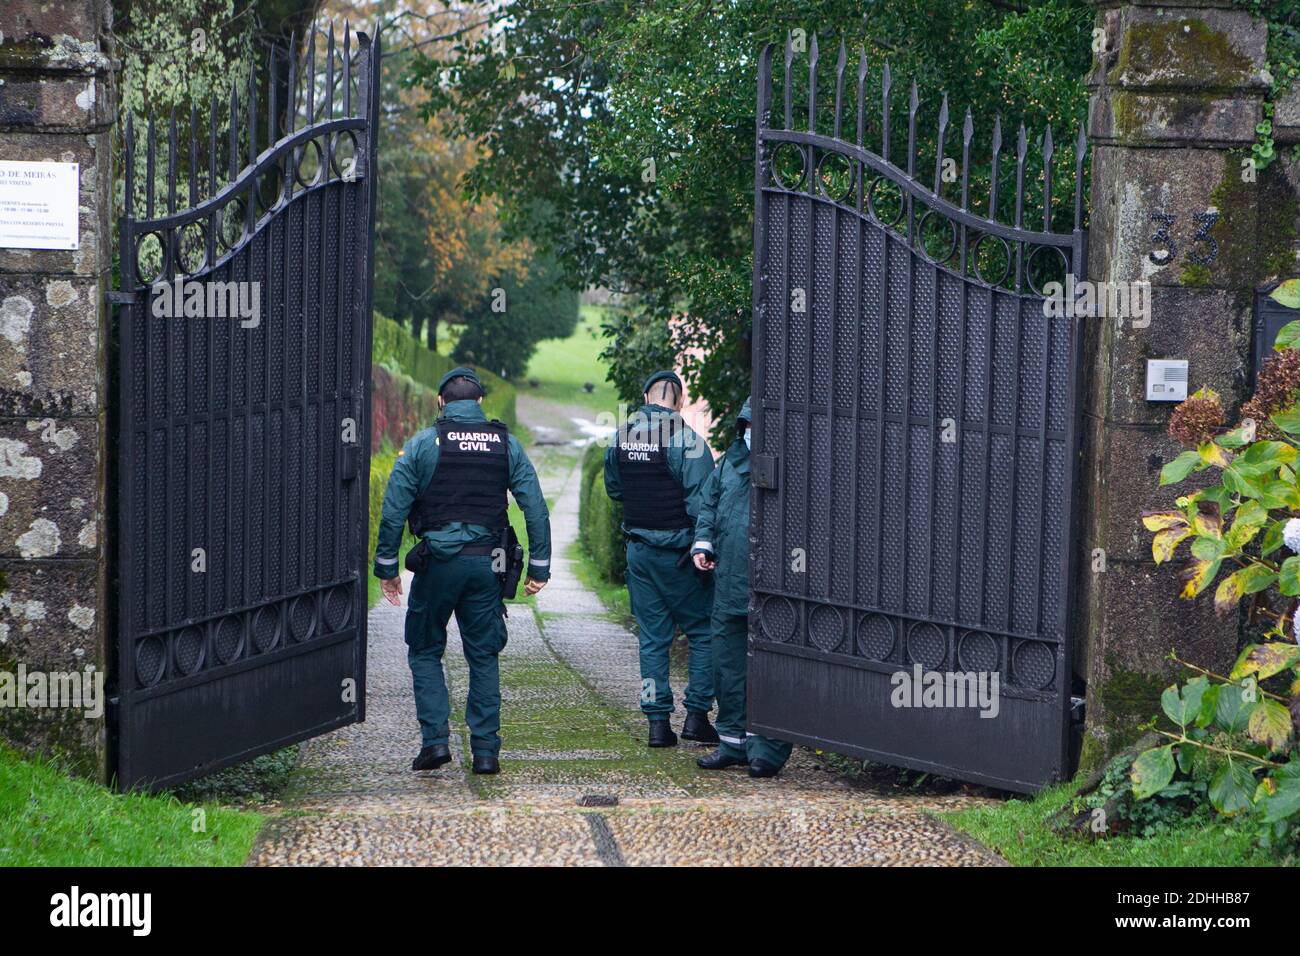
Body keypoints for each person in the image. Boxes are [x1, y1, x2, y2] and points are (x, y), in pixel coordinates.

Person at [373, 367, 551, 775]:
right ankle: (486, 752)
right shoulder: (506, 444)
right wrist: (539, 565)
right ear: (481, 403)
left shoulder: (422, 444)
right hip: (488, 564)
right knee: (484, 654)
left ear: (440, 402)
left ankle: (435, 743)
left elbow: (394, 507)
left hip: (437, 565)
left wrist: (388, 567)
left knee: (424, 649)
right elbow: (534, 506)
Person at [604, 370, 719, 748]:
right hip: (681, 557)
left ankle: (657, 724)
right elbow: (703, 508)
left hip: (639, 553)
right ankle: (697, 717)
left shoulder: (620, 437)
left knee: (653, 639)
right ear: (681, 400)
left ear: (644, 395)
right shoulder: (688, 442)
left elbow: (615, 490)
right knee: (702, 632)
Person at [692, 398, 792, 778]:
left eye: (756, 426)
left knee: (770, 668)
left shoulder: (788, 466)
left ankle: (766, 749)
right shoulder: (728, 466)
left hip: (771, 585)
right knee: (728, 668)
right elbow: (708, 507)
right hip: (729, 585)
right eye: (746, 426)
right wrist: (703, 544)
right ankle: (732, 743)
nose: (751, 433)